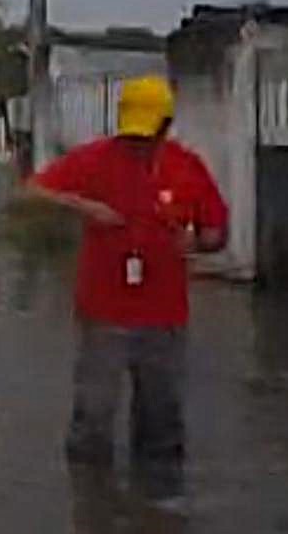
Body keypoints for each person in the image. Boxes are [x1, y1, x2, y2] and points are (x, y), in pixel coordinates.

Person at [26, 75, 228, 471]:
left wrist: (200, 243)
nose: (137, 144)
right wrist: (86, 208)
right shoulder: (94, 159)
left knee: (162, 427)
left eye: (147, 134)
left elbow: (216, 231)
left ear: (165, 126)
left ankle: (154, 518)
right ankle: (93, 514)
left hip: (164, 318)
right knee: (93, 421)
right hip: (104, 314)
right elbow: (33, 191)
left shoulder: (187, 168)